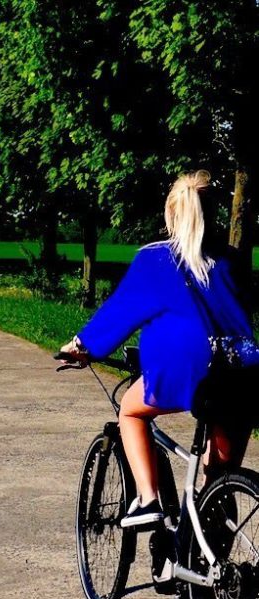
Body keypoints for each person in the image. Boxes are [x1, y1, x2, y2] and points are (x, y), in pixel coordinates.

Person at [60, 170, 254, 528]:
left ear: (171, 214)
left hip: (185, 364)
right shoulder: (233, 260)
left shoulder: (156, 259)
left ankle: (148, 499)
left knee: (131, 413)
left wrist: (83, 345)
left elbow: (120, 313)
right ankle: (209, 562)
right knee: (220, 476)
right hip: (242, 368)